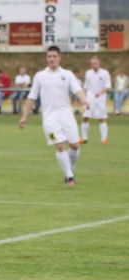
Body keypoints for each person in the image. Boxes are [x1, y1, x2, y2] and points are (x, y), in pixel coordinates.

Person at [20, 46, 87, 186]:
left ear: (59, 58)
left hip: (67, 116)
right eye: (49, 56)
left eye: (54, 56)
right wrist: (25, 116)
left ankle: (70, 170)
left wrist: (84, 100)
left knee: (74, 146)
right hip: (49, 119)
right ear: (46, 58)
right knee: (60, 145)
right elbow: (31, 97)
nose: (52, 59)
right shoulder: (40, 76)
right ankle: (69, 177)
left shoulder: (67, 74)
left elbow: (77, 90)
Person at [80, 56, 112, 145]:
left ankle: (104, 139)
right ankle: (84, 138)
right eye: (92, 64)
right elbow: (85, 86)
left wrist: (100, 92)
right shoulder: (88, 73)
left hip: (100, 99)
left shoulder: (105, 73)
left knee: (102, 118)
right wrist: (83, 98)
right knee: (85, 117)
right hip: (89, 98)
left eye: (95, 63)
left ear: (99, 63)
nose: (93, 65)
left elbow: (108, 86)